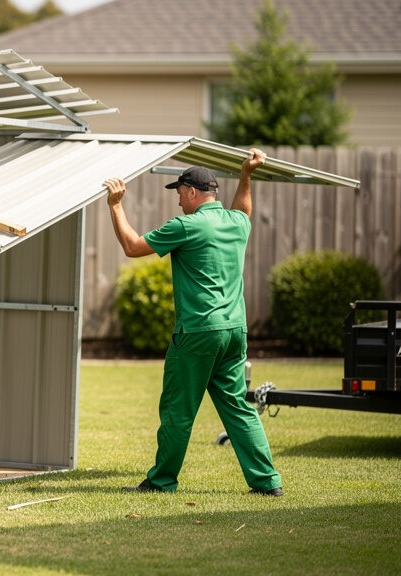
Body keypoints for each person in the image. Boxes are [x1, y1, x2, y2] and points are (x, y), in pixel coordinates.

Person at [104, 149, 283, 496]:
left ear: (190, 192)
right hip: (234, 331)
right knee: (236, 406)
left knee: (178, 410)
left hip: (198, 332)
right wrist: (246, 174)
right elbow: (244, 208)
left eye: (178, 195)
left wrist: (115, 204)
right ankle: (267, 483)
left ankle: (161, 481)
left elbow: (131, 246)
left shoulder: (186, 225)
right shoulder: (236, 223)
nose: (177, 203)